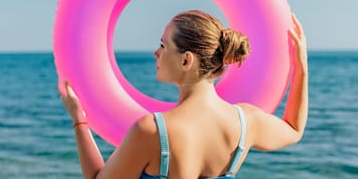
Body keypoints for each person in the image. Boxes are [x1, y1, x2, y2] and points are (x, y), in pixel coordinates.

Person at [59, 10, 308, 179]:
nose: (156, 53)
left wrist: (78, 119)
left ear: (186, 60)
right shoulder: (246, 122)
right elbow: (294, 129)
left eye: (164, 45)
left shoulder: (152, 132)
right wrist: (301, 68)